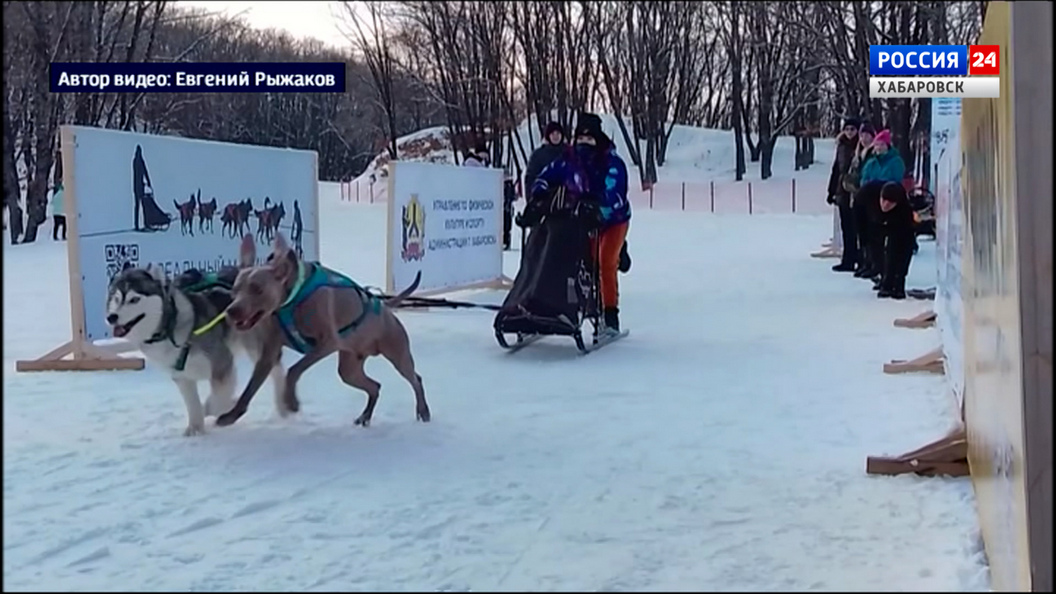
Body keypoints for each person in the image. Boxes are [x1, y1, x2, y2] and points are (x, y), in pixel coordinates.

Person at [531, 112, 631, 335]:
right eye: (580, 139)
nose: (584, 144)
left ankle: (611, 316)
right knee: (586, 261)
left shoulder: (611, 162)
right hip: (585, 220)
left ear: (598, 140)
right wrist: (538, 194)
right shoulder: (569, 160)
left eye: (589, 140)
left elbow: (616, 193)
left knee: (605, 262)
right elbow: (546, 175)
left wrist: (597, 205)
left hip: (613, 220)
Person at [853, 127, 904, 282]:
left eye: (881, 145)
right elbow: (864, 179)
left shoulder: (895, 162)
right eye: (876, 146)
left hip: (888, 203)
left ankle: (887, 272)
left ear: (887, 146)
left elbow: (893, 181)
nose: (878, 148)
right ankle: (873, 265)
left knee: (885, 241)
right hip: (871, 203)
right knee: (871, 237)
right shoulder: (871, 163)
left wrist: (875, 185)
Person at [826, 117, 860, 272]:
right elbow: (836, 169)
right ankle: (848, 259)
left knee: (857, 227)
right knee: (846, 227)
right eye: (847, 129)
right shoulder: (841, 146)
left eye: (852, 129)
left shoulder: (861, 146)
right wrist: (831, 190)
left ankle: (860, 258)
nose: (849, 132)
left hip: (856, 191)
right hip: (842, 190)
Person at [876, 182, 917, 299]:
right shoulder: (878, 209)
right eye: (883, 200)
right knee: (889, 258)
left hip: (905, 237)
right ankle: (887, 284)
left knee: (901, 261)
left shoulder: (906, 212)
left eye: (889, 202)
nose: (884, 205)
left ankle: (898, 285)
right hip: (892, 237)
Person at [524, 121, 568, 191]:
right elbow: (530, 179)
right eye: (552, 134)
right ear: (548, 136)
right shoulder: (538, 155)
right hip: (544, 198)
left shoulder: (569, 153)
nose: (555, 136)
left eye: (558, 133)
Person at [502, 170, 516, 250]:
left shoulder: (507, 185)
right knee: (507, 226)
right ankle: (506, 242)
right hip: (508, 208)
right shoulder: (510, 185)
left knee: (506, 226)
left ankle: (506, 242)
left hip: (506, 208)